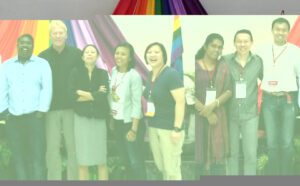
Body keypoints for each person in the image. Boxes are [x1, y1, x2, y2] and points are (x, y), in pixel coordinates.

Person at [0, 34, 52, 180]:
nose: (25, 45)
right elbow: (2, 90)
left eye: (28, 43)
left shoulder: (42, 64)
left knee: (37, 155)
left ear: (32, 46)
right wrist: (3, 113)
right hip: (13, 120)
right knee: (18, 156)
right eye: (22, 43)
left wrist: (42, 111)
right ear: (17, 45)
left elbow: (46, 89)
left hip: (35, 118)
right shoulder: (6, 66)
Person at [38, 20, 82, 180]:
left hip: (72, 108)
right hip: (50, 109)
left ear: (66, 35)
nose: (57, 36)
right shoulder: (42, 57)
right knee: (52, 149)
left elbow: (83, 78)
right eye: (54, 33)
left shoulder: (77, 54)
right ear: (50, 36)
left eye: (60, 33)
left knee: (73, 148)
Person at [258, 17, 300, 175]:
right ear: (272, 30)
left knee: (287, 142)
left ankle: (287, 178)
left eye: (284, 30)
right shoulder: (262, 50)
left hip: (287, 100)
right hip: (268, 100)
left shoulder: (296, 52)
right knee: (272, 143)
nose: (280, 32)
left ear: (288, 32)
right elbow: (258, 73)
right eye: (278, 29)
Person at [223, 29, 263, 175]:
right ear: (234, 43)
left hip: (251, 115)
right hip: (230, 114)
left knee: (251, 155)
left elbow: (267, 81)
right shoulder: (225, 60)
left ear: (251, 43)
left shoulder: (258, 61)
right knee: (231, 154)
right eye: (239, 41)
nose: (242, 44)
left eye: (246, 41)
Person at [143, 42, 185, 180]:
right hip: (154, 126)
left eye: (156, 52)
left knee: (171, 169)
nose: (152, 55)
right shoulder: (150, 75)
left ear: (164, 56)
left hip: (169, 129)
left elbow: (180, 102)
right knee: (161, 166)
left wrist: (177, 129)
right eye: (149, 52)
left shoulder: (171, 74)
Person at [68, 44, 109, 180]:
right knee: (83, 159)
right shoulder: (75, 72)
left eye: (93, 52)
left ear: (97, 56)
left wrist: (82, 93)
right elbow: (72, 97)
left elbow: (103, 97)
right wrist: (94, 94)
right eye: (87, 52)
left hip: (99, 119)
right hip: (81, 118)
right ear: (82, 56)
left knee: (101, 158)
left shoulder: (103, 74)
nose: (90, 54)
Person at [194, 33, 232, 177]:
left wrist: (214, 105)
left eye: (220, 47)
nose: (217, 49)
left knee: (217, 159)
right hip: (198, 118)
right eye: (213, 46)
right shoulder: (194, 66)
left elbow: (229, 90)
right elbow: (188, 93)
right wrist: (207, 112)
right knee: (200, 155)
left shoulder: (223, 67)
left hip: (218, 116)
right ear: (205, 46)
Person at [109, 42, 146, 180]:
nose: (119, 56)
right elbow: (113, 98)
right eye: (117, 53)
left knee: (135, 161)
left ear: (130, 58)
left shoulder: (134, 75)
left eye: (123, 54)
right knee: (125, 160)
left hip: (131, 123)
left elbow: (137, 104)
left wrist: (134, 129)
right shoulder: (113, 71)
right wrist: (112, 118)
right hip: (118, 122)